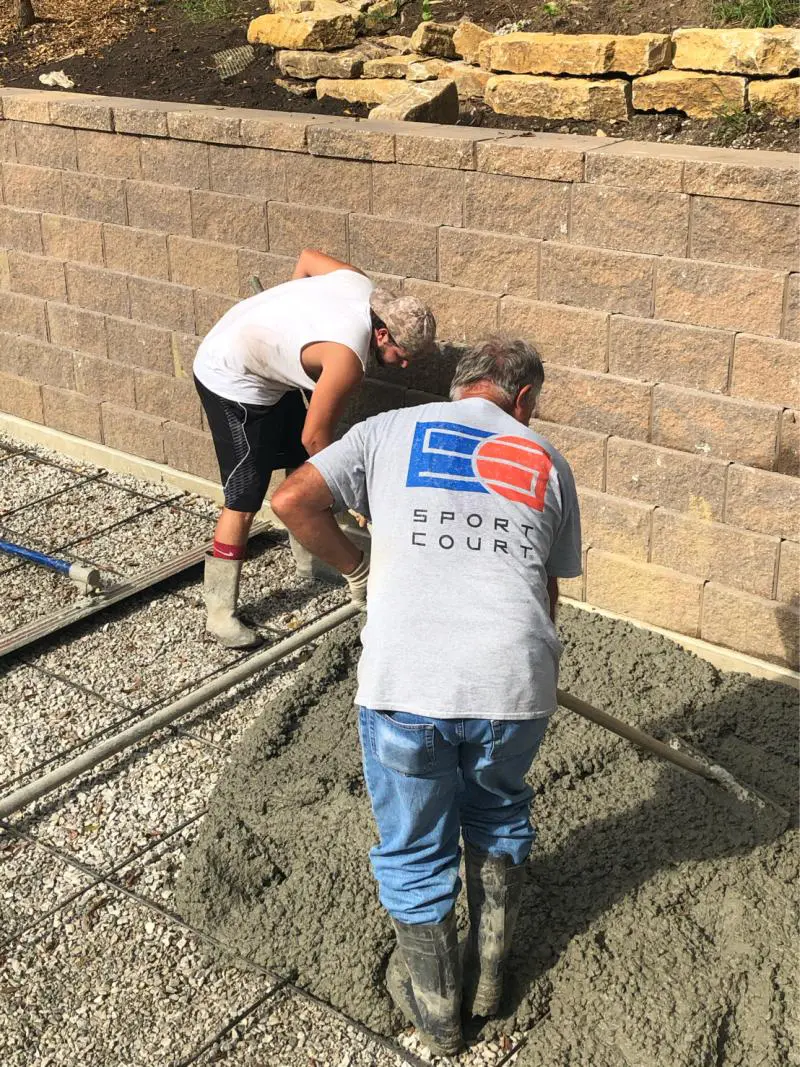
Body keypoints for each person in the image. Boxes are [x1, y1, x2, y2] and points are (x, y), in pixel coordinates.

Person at [271, 337, 582, 1055]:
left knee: (416, 847)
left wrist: (359, 570)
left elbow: (292, 501)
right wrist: (514, 667)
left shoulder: (386, 431)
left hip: (406, 678)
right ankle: (489, 985)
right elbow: (546, 591)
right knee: (498, 813)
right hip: (515, 682)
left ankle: (440, 1020)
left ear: (457, 385)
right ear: (525, 400)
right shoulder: (547, 460)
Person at [192, 248, 436, 649]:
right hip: (229, 375)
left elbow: (306, 260)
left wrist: (284, 330)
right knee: (245, 493)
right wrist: (353, 499)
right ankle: (219, 611)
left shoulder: (360, 283)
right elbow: (317, 440)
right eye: (401, 356)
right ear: (381, 333)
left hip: (264, 365)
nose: (404, 366)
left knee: (298, 464)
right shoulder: (347, 360)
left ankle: (309, 556)